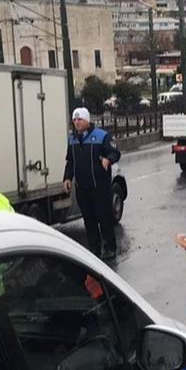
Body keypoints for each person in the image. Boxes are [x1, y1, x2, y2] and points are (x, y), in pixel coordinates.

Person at [64, 107, 121, 259]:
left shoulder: (102, 136)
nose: (76, 122)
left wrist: (108, 159)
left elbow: (115, 152)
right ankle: (94, 250)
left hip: (99, 187)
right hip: (82, 188)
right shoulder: (73, 139)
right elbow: (70, 161)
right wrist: (67, 178)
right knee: (89, 221)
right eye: (74, 120)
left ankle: (110, 247)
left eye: (79, 119)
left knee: (104, 218)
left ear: (87, 120)